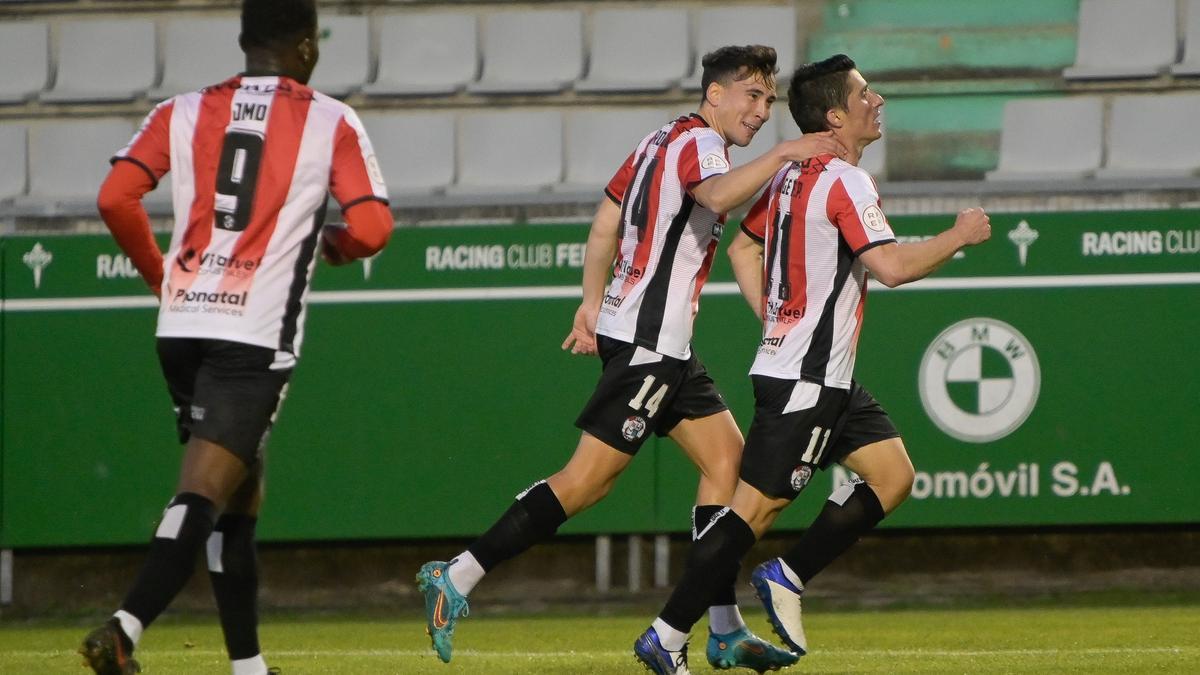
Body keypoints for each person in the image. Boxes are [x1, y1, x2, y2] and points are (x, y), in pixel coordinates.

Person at [416, 46, 847, 671]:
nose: (761, 112)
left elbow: (603, 225)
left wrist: (590, 304)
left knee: (728, 464)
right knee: (587, 481)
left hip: (657, 341)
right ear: (715, 94)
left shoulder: (657, 140)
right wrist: (784, 153)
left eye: (769, 101)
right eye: (752, 96)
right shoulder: (701, 145)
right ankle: (458, 573)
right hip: (650, 344)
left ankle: (722, 628)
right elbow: (717, 193)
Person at [632, 54, 993, 673]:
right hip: (806, 378)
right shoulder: (846, 182)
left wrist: (774, 317)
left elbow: (744, 245)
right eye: (863, 94)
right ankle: (666, 633)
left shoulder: (790, 178)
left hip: (824, 374)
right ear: (834, 115)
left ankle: (788, 575)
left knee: (893, 476)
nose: (876, 100)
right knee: (752, 513)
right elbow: (892, 268)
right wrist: (960, 234)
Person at [78, 1, 393, 673]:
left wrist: (162, 277)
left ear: (245, 40)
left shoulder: (181, 110)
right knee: (203, 492)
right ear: (307, 47)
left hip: (183, 325)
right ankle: (124, 627)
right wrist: (330, 245)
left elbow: (114, 196)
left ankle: (248, 667)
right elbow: (371, 229)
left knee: (240, 493)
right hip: (249, 335)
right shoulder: (330, 119)